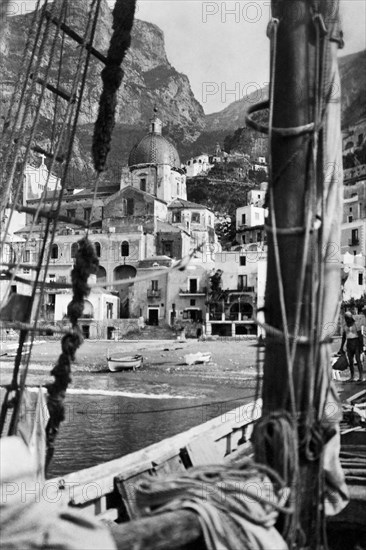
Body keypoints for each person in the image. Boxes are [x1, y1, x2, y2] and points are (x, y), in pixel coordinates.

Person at [339, 311, 364, 383]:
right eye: (346, 319)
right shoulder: (345, 325)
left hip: (356, 343)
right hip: (349, 343)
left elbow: (360, 336)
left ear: (351, 318)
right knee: (350, 361)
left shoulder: (356, 324)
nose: (347, 320)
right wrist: (341, 347)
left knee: (358, 360)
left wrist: (361, 347)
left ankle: (361, 376)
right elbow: (344, 337)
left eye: (348, 318)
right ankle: (352, 377)